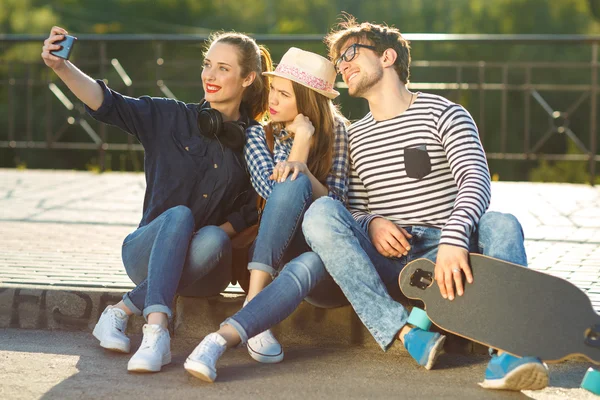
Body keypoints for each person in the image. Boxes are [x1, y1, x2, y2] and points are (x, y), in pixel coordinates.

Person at [301, 16, 550, 391]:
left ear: (387, 57)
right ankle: (404, 332)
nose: (343, 65)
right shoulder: (354, 138)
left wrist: (453, 237)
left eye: (351, 53)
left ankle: (513, 350)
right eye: (338, 62)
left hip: (452, 253)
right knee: (321, 212)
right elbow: (352, 206)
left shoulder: (444, 113)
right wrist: (370, 223)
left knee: (502, 222)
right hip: (392, 263)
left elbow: (475, 180)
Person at [41, 26, 272, 373]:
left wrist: (215, 234)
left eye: (223, 68)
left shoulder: (254, 142)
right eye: (208, 64)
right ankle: (156, 330)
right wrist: (61, 67)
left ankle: (119, 311)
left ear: (248, 77)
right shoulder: (170, 116)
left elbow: (252, 211)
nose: (209, 75)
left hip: (207, 267)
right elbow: (107, 102)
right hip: (144, 255)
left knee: (211, 236)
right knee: (178, 216)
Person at [183, 47, 349, 382]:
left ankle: (251, 311)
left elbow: (338, 205)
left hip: (321, 243)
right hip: (277, 244)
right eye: (273, 89)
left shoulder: (339, 134)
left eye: (284, 94)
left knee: (312, 249)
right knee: (291, 183)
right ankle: (255, 300)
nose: (272, 100)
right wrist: (300, 148)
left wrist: (302, 155)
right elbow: (276, 197)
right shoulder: (259, 134)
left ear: (308, 102)